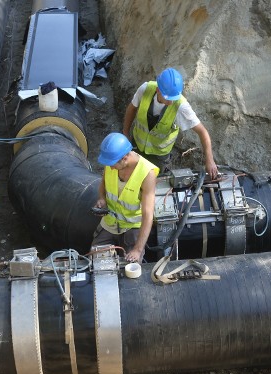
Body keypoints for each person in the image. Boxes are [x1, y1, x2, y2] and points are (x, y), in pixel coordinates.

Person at [122, 67, 219, 179]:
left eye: (174, 98)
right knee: (132, 178)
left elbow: (203, 132)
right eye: (168, 98)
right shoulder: (145, 89)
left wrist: (210, 160)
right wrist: (125, 133)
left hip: (159, 156)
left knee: (154, 185)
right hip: (137, 146)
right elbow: (131, 109)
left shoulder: (181, 107)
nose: (171, 102)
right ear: (158, 90)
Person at [90, 132, 159, 263]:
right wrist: (102, 199)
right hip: (110, 222)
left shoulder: (147, 174)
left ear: (125, 158)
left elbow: (148, 214)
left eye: (112, 164)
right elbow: (103, 184)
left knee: (130, 267)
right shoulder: (113, 162)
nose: (110, 167)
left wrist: (138, 250)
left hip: (132, 226)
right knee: (96, 260)